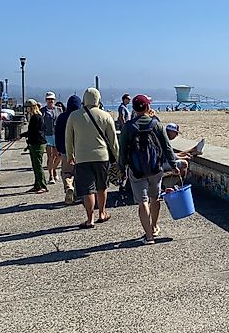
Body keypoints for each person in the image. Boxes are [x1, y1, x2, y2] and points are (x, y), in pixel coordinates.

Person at [119, 96, 183, 244]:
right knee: (155, 198)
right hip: (156, 169)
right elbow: (167, 148)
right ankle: (154, 226)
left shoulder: (128, 127)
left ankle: (148, 236)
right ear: (148, 108)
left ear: (134, 109)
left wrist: (122, 169)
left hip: (136, 171)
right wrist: (173, 166)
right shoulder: (156, 124)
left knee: (143, 202)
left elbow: (122, 151)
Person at [65, 87, 119, 228]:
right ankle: (102, 213)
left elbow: (68, 138)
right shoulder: (105, 115)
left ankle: (90, 219)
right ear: (98, 99)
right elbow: (113, 141)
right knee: (102, 186)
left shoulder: (74, 116)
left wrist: (70, 155)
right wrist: (118, 158)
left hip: (82, 157)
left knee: (88, 189)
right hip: (102, 156)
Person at [54, 94, 81, 205]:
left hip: (65, 149)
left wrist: (59, 148)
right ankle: (77, 194)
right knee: (78, 173)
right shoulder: (81, 117)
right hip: (80, 150)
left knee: (66, 172)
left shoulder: (62, 117)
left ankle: (69, 186)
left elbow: (57, 134)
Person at [20, 99, 48, 194]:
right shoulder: (38, 116)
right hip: (36, 143)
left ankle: (43, 185)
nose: (26, 109)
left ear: (31, 107)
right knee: (35, 166)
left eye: (27, 107)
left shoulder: (35, 117)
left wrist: (24, 135)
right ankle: (37, 185)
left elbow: (33, 132)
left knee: (38, 166)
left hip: (37, 144)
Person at [42, 92, 63, 185]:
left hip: (57, 135)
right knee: (50, 156)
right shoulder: (42, 110)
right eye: (49, 99)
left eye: (52, 99)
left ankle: (54, 169)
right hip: (48, 135)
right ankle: (51, 175)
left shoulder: (59, 110)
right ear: (46, 100)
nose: (50, 101)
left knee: (59, 156)